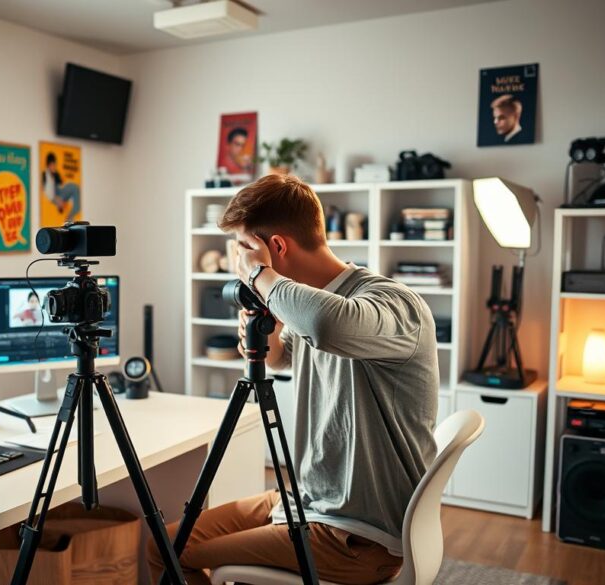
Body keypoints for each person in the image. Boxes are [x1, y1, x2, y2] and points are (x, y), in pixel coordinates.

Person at [148, 174, 439, 585]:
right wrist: (263, 324)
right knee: (165, 538)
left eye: (245, 251)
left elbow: (327, 325)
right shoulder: (310, 301)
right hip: (310, 499)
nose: (242, 264)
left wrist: (260, 276)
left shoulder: (392, 302)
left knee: (169, 554)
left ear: (277, 248)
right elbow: (282, 358)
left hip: (355, 535)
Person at [42, 152, 81, 222]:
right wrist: (57, 199)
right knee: (73, 189)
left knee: (74, 188)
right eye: (53, 165)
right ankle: (70, 216)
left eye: (55, 164)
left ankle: (71, 215)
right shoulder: (44, 176)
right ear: (49, 165)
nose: (54, 167)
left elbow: (60, 185)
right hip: (55, 196)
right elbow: (49, 194)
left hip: (59, 193)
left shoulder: (56, 174)